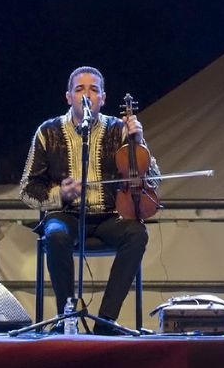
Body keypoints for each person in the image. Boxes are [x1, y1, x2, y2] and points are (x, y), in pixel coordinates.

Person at [18, 66, 158, 333]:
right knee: (56, 235)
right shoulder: (47, 132)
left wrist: (139, 142)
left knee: (137, 234)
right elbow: (27, 189)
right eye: (80, 89)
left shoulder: (120, 130)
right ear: (68, 97)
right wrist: (61, 193)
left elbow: (153, 179)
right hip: (66, 215)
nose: (87, 95)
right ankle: (65, 318)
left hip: (109, 216)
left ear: (103, 98)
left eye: (94, 90)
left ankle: (105, 322)